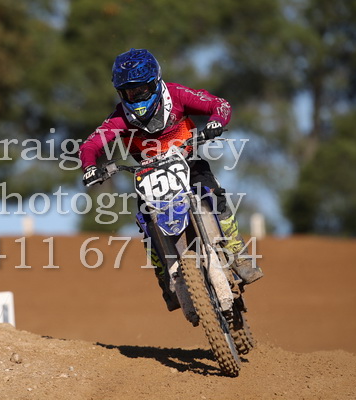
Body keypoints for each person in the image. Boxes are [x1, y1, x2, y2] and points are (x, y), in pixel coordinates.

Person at [79, 48, 263, 310]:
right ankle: (166, 280)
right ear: (120, 93)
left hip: (188, 162)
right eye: (129, 92)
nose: (136, 97)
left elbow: (218, 104)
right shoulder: (119, 118)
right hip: (149, 174)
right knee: (145, 222)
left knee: (214, 196)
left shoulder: (177, 95)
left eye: (141, 90)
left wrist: (215, 122)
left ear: (155, 82)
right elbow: (90, 145)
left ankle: (239, 256)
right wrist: (89, 167)